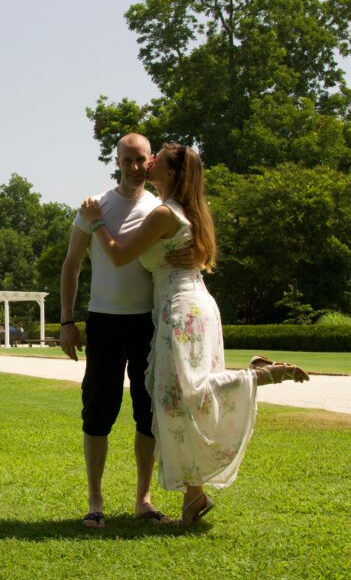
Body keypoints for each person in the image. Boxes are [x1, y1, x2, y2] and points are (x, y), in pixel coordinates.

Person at [80, 142, 309, 527]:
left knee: (182, 396)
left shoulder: (164, 213)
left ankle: (253, 375)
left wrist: (96, 221)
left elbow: (119, 255)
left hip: (179, 312)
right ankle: (194, 497)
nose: (147, 163)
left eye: (156, 160)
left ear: (170, 174)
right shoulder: (184, 210)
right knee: (178, 401)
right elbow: (194, 253)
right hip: (194, 306)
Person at [60, 133, 171, 528]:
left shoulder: (159, 208)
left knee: (147, 413)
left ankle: (144, 499)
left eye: (141, 160)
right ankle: (95, 501)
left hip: (147, 322)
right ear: (117, 161)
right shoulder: (94, 207)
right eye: (127, 160)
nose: (135, 167)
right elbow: (71, 265)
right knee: (98, 414)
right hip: (103, 321)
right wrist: (68, 321)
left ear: (150, 160)